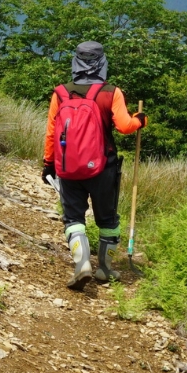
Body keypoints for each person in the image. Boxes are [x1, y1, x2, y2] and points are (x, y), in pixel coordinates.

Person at [42, 41, 147, 289]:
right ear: (101, 63)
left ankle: (82, 265)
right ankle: (105, 269)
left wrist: (49, 163)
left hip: (68, 167)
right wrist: (139, 120)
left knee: (73, 218)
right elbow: (124, 126)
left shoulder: (61, 92)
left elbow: (50, 133)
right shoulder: (111, 92)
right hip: (103, 167)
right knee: (108, 219)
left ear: (76, 62)